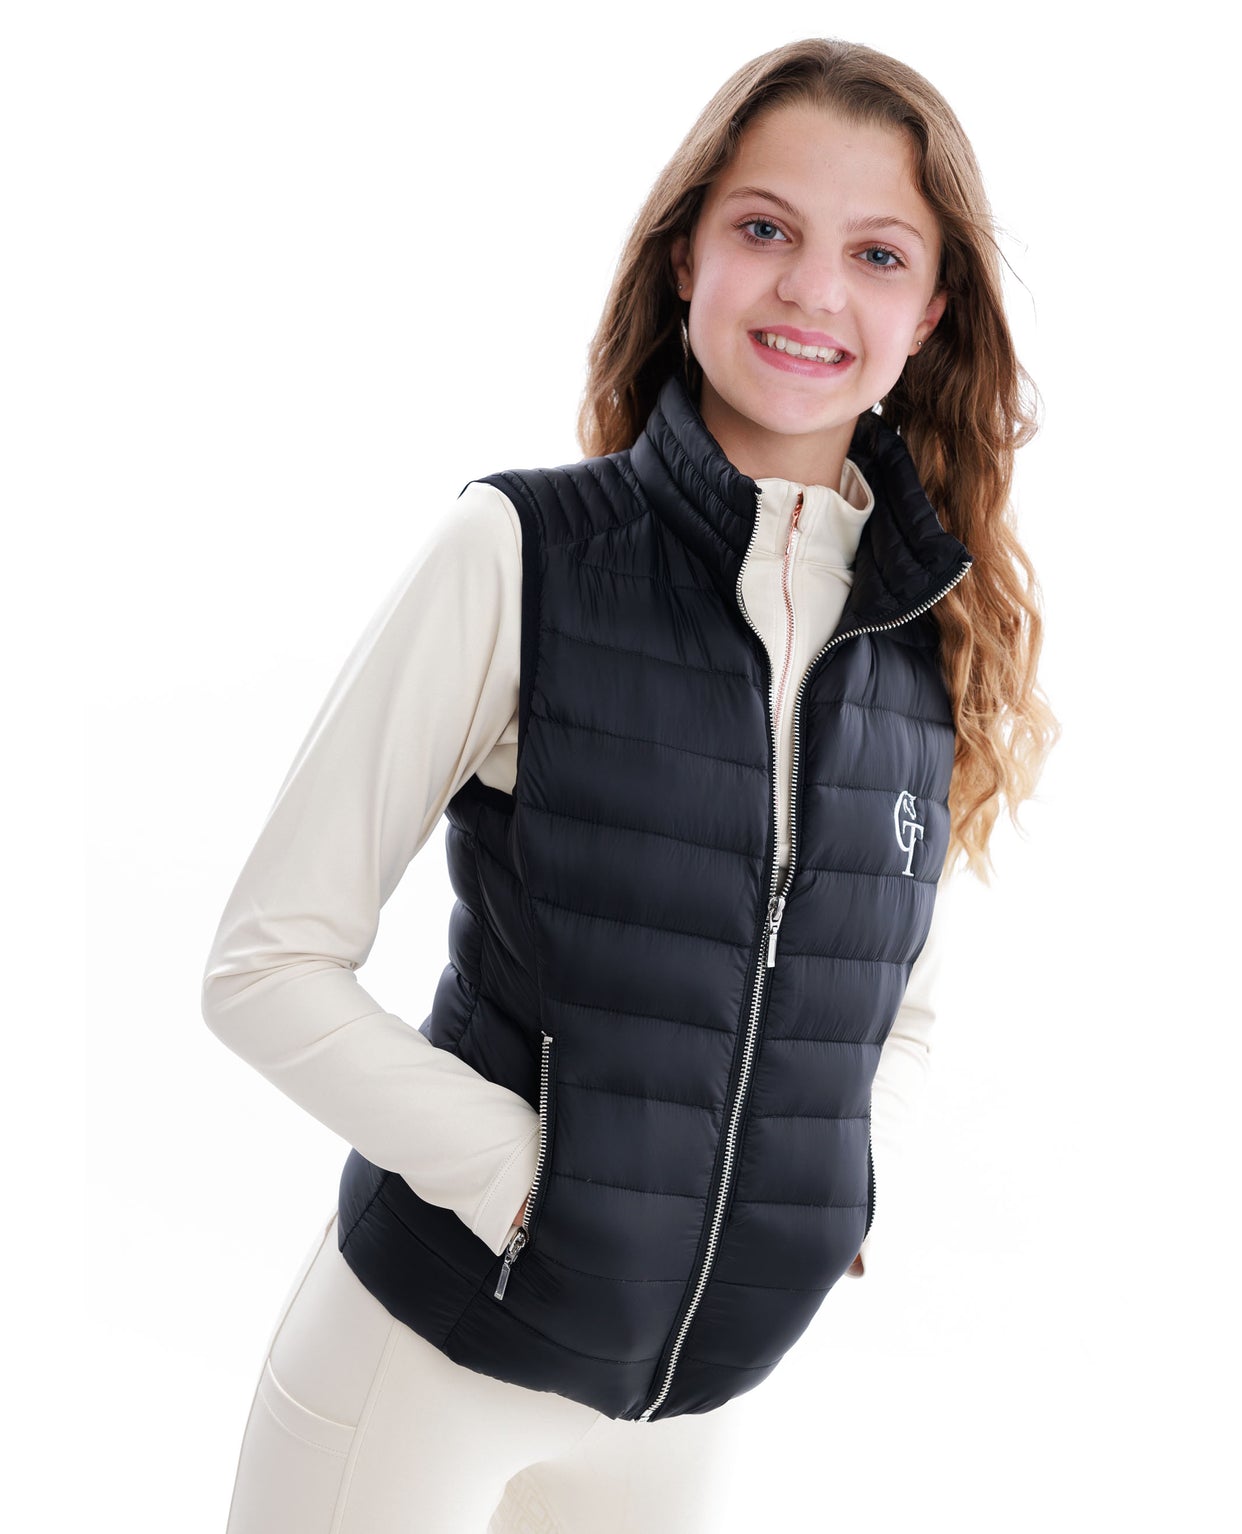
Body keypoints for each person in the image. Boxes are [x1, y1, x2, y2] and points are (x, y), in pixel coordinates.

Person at [201, 35, 1056, 1534]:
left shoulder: (929, 635)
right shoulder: (520, 554)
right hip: (421, 1363)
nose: (813, 290)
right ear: (684, 256)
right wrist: (524, 1183)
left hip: (686, 1418)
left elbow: (899, 1008)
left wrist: (837, 1187)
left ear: (929, 314)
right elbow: (264, 966)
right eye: (765, 228)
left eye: (876, 253)